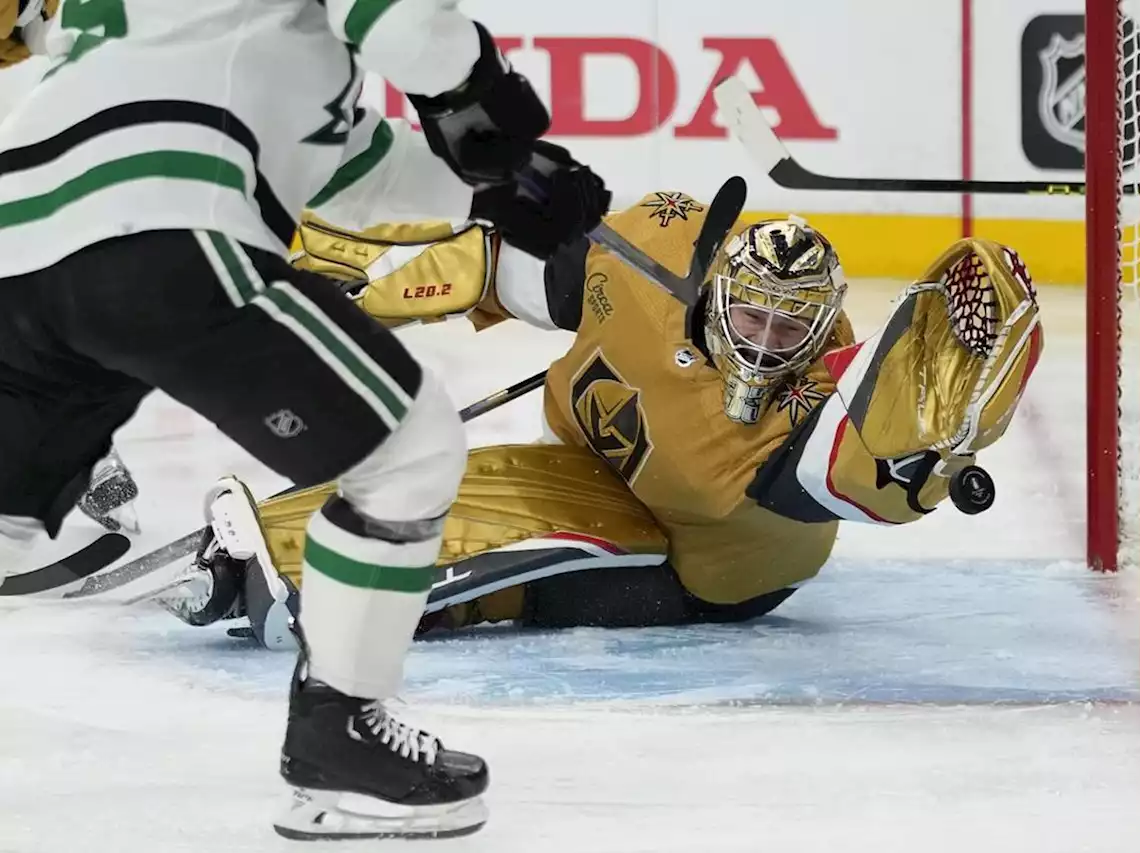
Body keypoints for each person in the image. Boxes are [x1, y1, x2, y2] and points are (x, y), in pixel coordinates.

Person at [0, 0, 609, 839]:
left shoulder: (247, 35)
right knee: (410, 450)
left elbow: (351, 173)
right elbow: (405, 26)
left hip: (17, 245)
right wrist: (480, 93)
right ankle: (344, 746)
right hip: (165, 222)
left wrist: (499, 187)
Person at [163, 182, 1044, 643]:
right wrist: (369, 284)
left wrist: (943, 414)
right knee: (497, 487)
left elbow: (880, 458)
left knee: (548, 546)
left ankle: (325, 578)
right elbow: (500, 269)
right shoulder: (655, 252)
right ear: (718, 288)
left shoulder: (800, 429)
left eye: (792, 327)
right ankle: (312, 552)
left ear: (821, 327)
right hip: (591, 453)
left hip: (714, 562)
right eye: (751, 316)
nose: (769, 343)